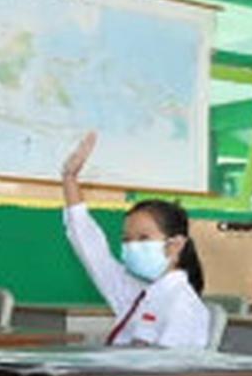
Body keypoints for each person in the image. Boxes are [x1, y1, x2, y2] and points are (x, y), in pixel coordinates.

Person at [61, 132, 210, 348]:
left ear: (175, 245)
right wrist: (69, 178)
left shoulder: (182, 306)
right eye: (126, 239)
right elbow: (92, 249)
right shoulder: (139, 292)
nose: (132, 246)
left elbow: (169, 366)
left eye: (143, 238)